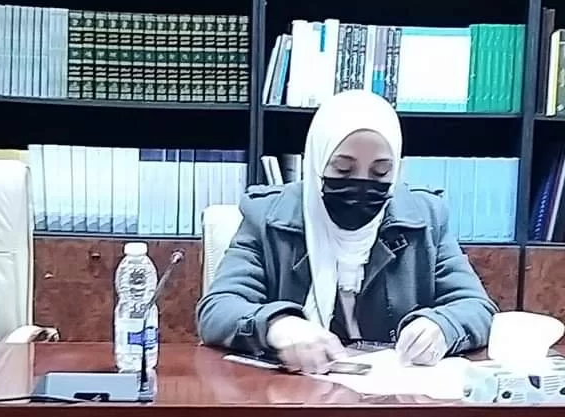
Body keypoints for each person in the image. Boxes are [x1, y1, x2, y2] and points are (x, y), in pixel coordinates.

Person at [196, 90, 496, 373]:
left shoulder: (425, 218)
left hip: (394, 399)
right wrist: (277, 325)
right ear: (316, 162)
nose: (361, 183)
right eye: (342, 169)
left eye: (381, 171)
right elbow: (217, 309)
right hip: (290, 396)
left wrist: (442, 326)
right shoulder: (267, 218)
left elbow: (477, 308)